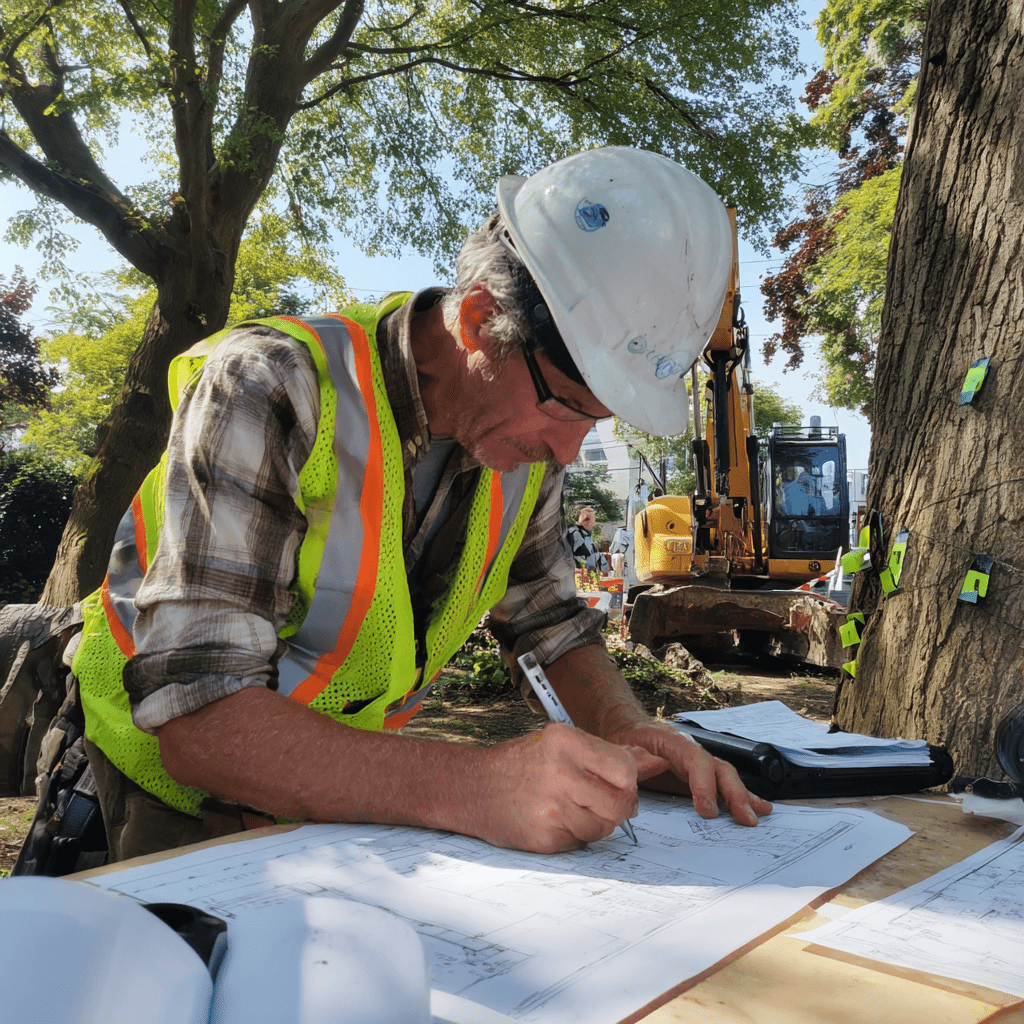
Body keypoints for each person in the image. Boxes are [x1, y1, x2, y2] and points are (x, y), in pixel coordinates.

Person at [70, 146, 772, 864]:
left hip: (331, 805)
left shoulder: (521, 443)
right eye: (565, 408)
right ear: (476, 322)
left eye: (593, 421)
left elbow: (550, 622)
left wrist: (624, 728)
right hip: (160, 798)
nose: (568, 452)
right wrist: (470, 786)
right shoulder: (270, 386)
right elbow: (200, 715)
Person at [567, 506, 607, 573]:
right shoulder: (576, 534)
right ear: (586, 520)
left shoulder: (583, 533)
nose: (594, 524)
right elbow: (581, 558)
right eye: (593, 520)